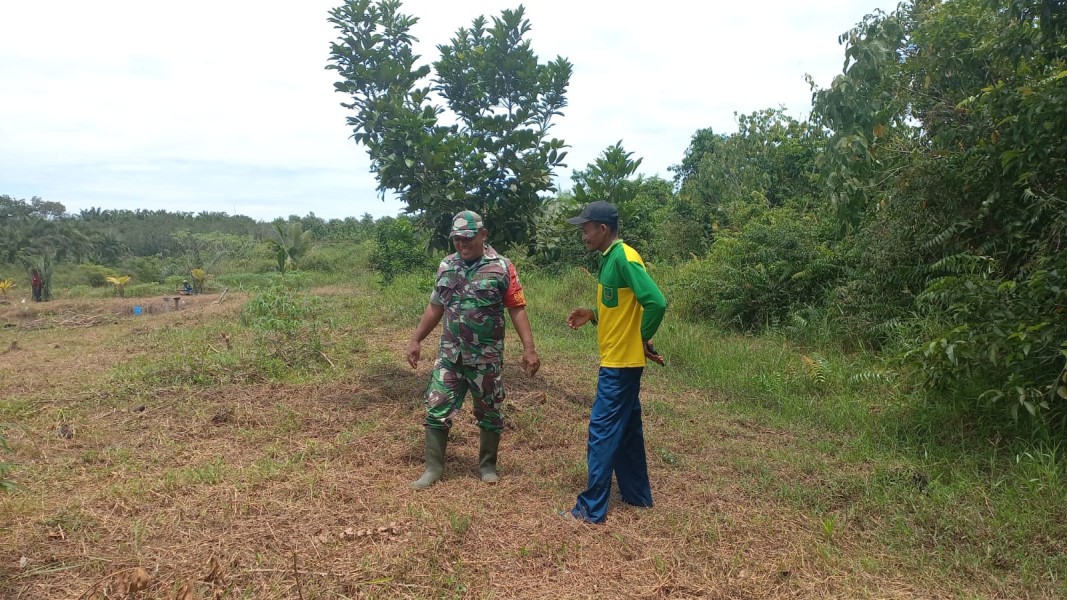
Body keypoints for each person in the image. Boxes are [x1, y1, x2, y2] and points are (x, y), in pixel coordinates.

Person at [407, 210, 541, 489]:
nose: (462, 244)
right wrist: (416, 339)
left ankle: (487, 466)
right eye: (456, 239)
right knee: (436, 408)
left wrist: (529, 349)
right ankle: (433, 469)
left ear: (483, 234)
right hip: (450, 356)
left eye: (467, 238)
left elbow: (516, 309)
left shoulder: (502, 267)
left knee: (489, 411)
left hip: (486, 357)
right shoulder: (446, 265)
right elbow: (436, 306)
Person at [562, 200, 667, 524]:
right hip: (619, 360)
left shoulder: (624, 258)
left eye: (586, 228)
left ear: (603, 229)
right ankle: (637, 495)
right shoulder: (609, 260)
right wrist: (593, 315)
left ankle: (590, 508)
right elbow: (622, 306)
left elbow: (656, 303)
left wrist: (642, 338)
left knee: (602, 431)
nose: (583, 234)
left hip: (620, 364)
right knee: (628, 430)